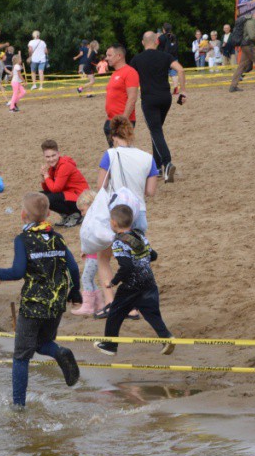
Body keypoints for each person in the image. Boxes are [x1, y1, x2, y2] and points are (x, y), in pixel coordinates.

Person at [0, 192, 81, 408]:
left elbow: (18, 271)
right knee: (42, 343)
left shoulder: (23, 240)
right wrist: (75, 294)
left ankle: (18, 407)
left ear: (23, 215)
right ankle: (60, 352)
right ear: (48, 214)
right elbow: (73, 268)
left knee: (21, 356)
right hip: (56, 303)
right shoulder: (57, 237)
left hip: (33, 305)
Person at [93, 116, 159, 318]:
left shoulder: (110, 155)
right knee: (135, 260)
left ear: (113, 136)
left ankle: (112, 302)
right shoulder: (148, 157)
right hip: (138, 212)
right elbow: (150, 191)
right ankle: (134, 303)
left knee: (104, 258)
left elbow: (100, 187)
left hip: (116, 212)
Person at [94, 204, 175, 356]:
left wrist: (113, 282)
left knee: (115, 314)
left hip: (131, 285)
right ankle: (167, 337)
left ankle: (109, 345)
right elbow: (153, 255)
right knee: (152, 313)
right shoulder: (140, 236)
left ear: (113, 223)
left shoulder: (118, 242)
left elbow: (126, 267)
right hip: (148, 281)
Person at [130, 31, 186, 181]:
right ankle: (157, 167)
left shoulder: (137, 59)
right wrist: (183, 92)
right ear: (157, 42)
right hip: (165, 98)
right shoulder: (166, 56)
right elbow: (180, 70)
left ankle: (167, 163)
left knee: (155, 131)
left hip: (149, 100)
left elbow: (130, 78)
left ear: (143, 43)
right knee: (157, 131)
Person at [69, 189, 104, 316]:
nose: (82, 214)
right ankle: (99, 304)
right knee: (89, 279)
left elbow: (92, 237)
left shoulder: (95, 220)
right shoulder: (95, 219)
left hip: (95, 255)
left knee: (85, 278)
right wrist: (85, 250)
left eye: (83, 210)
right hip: (92, 254)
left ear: (91, 206)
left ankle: (88, 306)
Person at [39, 139, 89, 227]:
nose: (51, 159)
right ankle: (68, 215)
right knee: (40, 197)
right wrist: (43, 179)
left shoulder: (64, 166)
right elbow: (48, 189)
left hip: (81, 197)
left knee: (48, 198)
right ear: (44, 157)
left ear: (58, 153)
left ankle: (76, 214)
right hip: (69, 194)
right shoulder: (52, 167)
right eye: (48, 157)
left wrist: (46, 175)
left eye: (53, 155)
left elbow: (55, 189)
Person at [102, 44, 138, 146]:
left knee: (123, 154)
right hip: (111, 121)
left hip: (122, 121)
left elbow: (132, 98)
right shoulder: (115, 74)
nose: (106, 58)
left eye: (109, 55)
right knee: (115, 154)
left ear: (119, 56)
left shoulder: (130, 72)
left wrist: (123, 121)